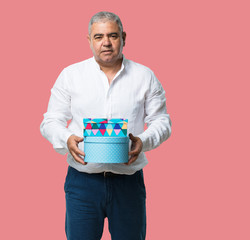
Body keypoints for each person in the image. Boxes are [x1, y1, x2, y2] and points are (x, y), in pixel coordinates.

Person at [40, 11, 171, 240]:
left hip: (128, 182)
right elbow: (50, 121)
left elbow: (162, 121)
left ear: (124, 37)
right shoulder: (70, 75)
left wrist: (143, 141)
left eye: (113, 35)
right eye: (99, 37)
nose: (106, 43)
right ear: (89, 40)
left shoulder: (144, 76)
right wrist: (67, 140)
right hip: (82, 182)